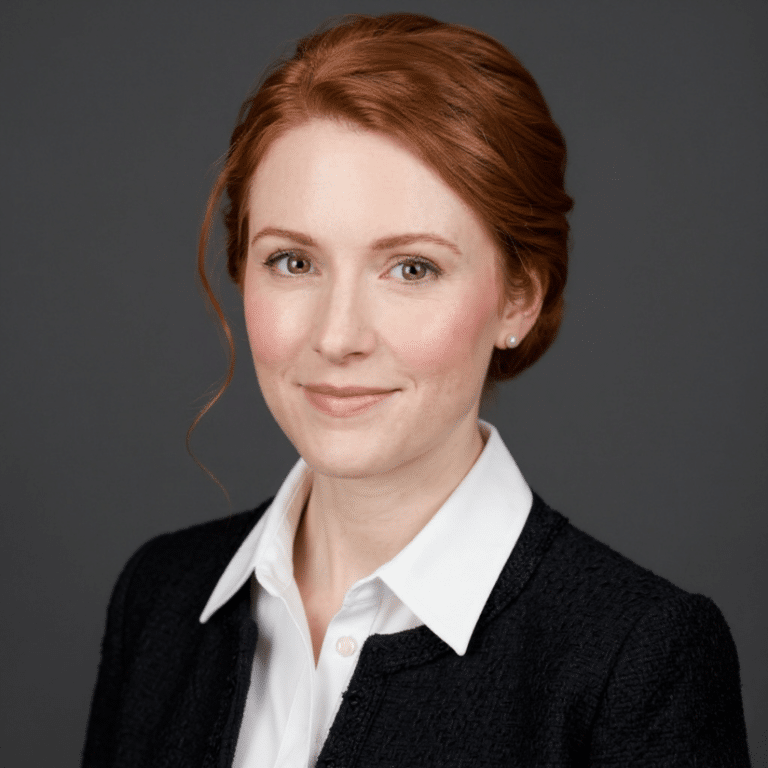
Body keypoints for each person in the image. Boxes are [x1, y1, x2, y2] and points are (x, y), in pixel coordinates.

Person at [81, 11, 751, 768]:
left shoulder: (637, 660)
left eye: (411, 268)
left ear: (519, 300)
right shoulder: (161, 597)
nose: (337, 336)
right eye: (294, 262)